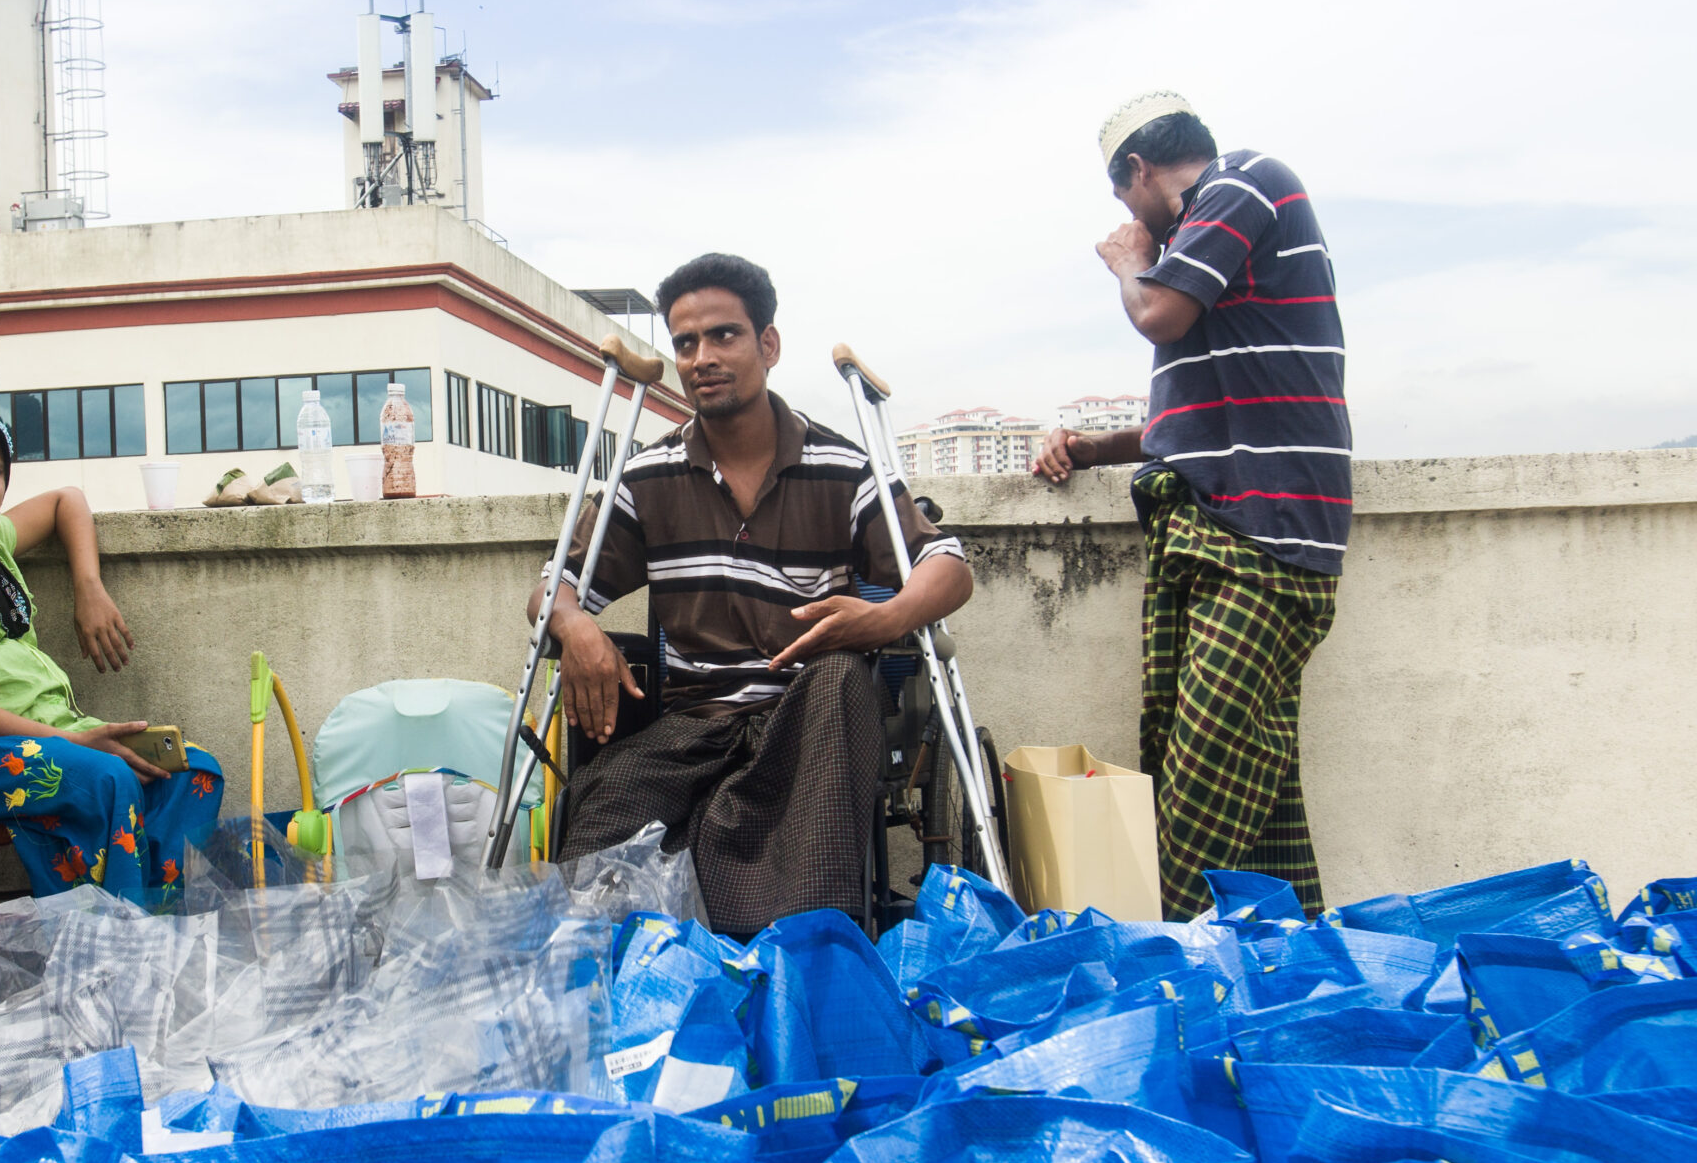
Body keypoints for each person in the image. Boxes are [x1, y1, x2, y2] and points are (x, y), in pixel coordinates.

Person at [541, 253, 974, 936]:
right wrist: (575, 626)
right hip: (694, 725)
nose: (703, 358)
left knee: (840, 677)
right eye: (686, 343)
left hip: (805, 720)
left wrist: (882, 618)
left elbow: (947, 564)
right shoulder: (648, 477)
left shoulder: (841, 467)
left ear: (768, 345)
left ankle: (802, 958)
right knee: (599, 833)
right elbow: (555, 585)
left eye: (724, 335)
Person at [1032, 92, 1350, 918]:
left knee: (1201, 781)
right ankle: (1290, 955)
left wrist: (1130, 261)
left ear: (1139, 169)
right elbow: (1197, 412)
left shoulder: (1244, 180)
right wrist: (1091, 447)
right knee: (1241, 777)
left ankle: (1164, 958)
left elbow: (1159, 314)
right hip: (1222, 530)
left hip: (1264, 538)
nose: (1127, 217)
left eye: (1121, 194)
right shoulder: (1217, 241)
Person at [0, 408, 224, 898]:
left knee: (190, 768)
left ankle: (156, 917)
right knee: (105, 776)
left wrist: (88, 587)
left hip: (32, 737)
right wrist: (72, 741)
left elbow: (67, 499)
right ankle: (108, 935)